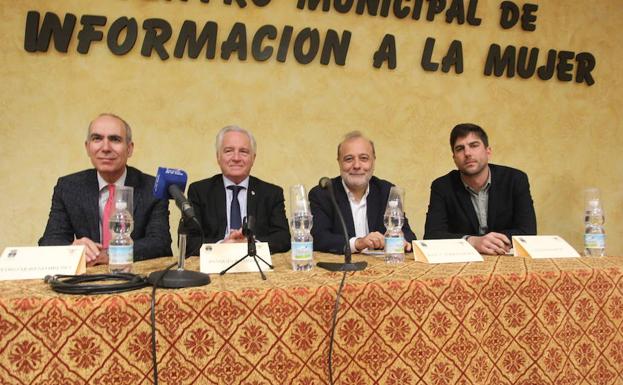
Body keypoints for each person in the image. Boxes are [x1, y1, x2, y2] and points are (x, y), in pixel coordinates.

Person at [39, 113, 172, 264]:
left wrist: (110, 254)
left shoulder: (152, 188)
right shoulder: (68, 187)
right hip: (87, 281)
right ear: (88, 147)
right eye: (97, 139)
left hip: (134, 278)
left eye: (115, 139)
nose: (106, 148)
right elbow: (49, 242)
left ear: (129, 149)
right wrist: (73, 249)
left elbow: (160, 244)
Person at [424, 123, 537, 254]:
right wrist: (471, 241)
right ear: (454, 158)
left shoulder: (515, 180)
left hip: (505, 257)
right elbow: (432, 235)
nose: (467, 153)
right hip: (463, 262)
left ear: (488, 151)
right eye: (460, 149)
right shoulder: (442, 186)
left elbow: (528, 231)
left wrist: (491, 242)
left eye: (474, 145)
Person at [184, 125, 290, 256]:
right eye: (228, 151)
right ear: (218, 157)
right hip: (215, 263)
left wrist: (250, 244)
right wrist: (223, 246)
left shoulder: (271, 193)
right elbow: (189, 242)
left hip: (256, 263)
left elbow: (283, 239)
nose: (236, 158)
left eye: (243, 151)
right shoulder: (199, 191)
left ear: (253, 158)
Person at [309, 131, 416, 254]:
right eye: (349, 159)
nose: (357, 165)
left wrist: (401, 241)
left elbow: (409, 236)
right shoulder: (323, 194)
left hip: (381, 269)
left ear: (373, 161)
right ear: (339, 162)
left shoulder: (387, 191)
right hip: (341, 269)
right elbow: (319, 239)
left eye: (364, 158)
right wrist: (358, 243)